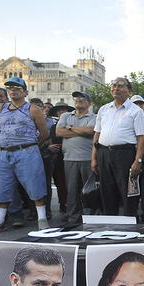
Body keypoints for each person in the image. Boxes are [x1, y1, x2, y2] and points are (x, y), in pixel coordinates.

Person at [0, 77, 51, 234]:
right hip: (4, 153)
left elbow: (44, 133)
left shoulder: (33, 109)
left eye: (17, 88)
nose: (13, 91)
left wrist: (29, 145)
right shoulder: (0, 108)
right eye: (10, 88)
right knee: (2, 187)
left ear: (25, 91)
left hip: (27, 152)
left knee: (35, 185)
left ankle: (42, 219)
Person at [91, 77, 144, 216]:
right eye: (114, 85)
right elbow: (97, 134)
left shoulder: (136, 111)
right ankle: (111, 224)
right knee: (107, 191)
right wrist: (93, 158)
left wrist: (138, 160)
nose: (116, 88)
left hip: (125, 154)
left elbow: (141, 138)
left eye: (120, 85)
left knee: (128, 192)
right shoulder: (104, 109)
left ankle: (130, 223)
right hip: (104, 153)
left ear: (128, 91)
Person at [55, 92, 96, 224]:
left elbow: (91, 131)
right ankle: (74, 218)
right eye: (76, 98)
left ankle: (92, 218)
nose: (78, 100)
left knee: (90, 191)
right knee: (72, 191)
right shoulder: (66, 115)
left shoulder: (94, 116)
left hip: (88, 159)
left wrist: (70, 128)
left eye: (82, 98)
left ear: (89, 103)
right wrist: (81, 131)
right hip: (69, 158)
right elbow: (59, 132)